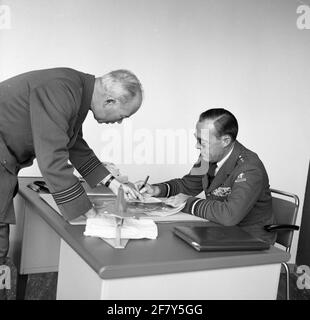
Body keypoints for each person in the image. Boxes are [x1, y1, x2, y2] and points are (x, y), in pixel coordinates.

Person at [0, 67, 143, 263]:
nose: (119, 122)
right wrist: (89, 212)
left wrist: (113, 183)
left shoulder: (74, 89)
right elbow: (52, 157)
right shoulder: (60, 89)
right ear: (110, 101)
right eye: (123, 116)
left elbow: (73, 144)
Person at [136, 108, 276, 244]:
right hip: (220, 231)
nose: (197, 146)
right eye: (197, 140)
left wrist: (187, 202)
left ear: (225, 141)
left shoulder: (249, 168)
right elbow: (188, 185)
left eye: (202, 142)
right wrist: (156, 190)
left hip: (250, 239)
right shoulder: (207, 158)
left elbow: (229, 215)